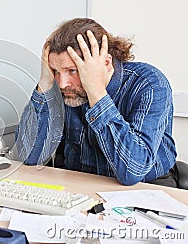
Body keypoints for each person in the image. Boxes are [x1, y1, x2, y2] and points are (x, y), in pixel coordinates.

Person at [16, 18, 178, 186]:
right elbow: (29, 156)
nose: (63, 83)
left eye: (72, 71)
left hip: (146, 186)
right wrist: (45, 83)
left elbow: (132, 171)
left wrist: (96, 92)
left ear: (106, 63)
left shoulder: (149, 84)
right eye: (56, 71)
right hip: (80, 182)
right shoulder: (62, 86)